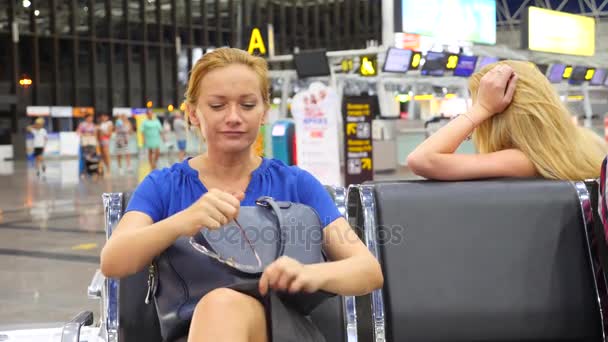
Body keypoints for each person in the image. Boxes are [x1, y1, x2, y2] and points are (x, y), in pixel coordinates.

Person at [100, 47, 383, 342]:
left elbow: (367, 270)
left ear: (264, 113)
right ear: (193, 113)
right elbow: (113, 261)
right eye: (218, 106)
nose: (234, 117)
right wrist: (181, 222)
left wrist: (311, 274)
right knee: (221, 306)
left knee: (222, 304)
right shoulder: (164, 186)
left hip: (282, 330)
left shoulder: (297, 184)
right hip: (196, 330)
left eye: (247, 105)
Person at [407, 61, 608, 181]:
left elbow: (421, 160)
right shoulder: (588, 142)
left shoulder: (523, 161)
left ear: (499, 115)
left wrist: (482, 109)